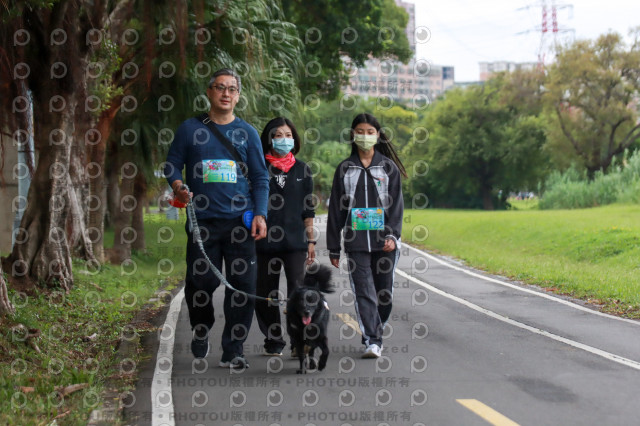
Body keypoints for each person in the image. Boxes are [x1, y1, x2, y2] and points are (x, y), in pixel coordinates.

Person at [164, 68, 269, 369]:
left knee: (243, 287)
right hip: (203, 222)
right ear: (209, 92)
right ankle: (201, 326)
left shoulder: (247, 133)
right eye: (220, 87)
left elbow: (260, 177)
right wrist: (178, 186)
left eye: (232, 89)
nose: (226, 93)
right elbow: (172, 165)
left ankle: (233, 350)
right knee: (200, 284)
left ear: (238, 96)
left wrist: (260, 214)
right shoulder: (190, 129)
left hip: (240, 223)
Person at [326, 112, 406, 359]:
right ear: (353, 135)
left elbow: (396, 206)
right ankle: (373, 339)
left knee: (384, 296)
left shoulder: (388, 168)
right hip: (356, 243)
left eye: (370, 132)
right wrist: (333, 247)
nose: (365, 136)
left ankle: (374, 328)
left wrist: (392, 235)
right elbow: (336, 210)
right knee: (364, 293)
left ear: (378, 135)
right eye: (360, 131)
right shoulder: (345, 169)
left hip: (385, 244)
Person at [255, 117, 316, 356]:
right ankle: (273, 341)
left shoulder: (302, 169)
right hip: (263, 242)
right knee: (265, 294)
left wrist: (311, 240)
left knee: (297, 294)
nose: (284, 139)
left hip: (295, 242)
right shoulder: (258, 167)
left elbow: (308, 210)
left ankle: (298, 341)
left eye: (288, 135)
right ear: (269, 139)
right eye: (278, 135)